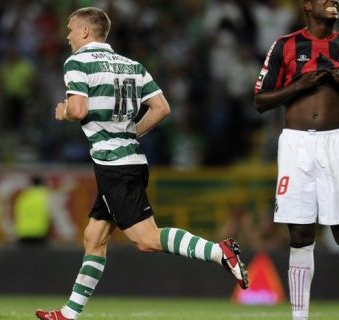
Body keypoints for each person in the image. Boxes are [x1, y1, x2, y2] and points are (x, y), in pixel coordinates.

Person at [36, 7, 248, 320]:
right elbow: (161, 107)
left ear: (84, 31)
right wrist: (132, 132)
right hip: (131, 158)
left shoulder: (78, 62)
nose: (67, 36)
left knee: (147, 239)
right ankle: (70, 313)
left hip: (113, 165)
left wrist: (63, 111)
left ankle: (220, 252)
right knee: (94, 238)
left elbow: (79, 109)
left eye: (70, 29)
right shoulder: (131, 65)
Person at [254, 1, 339, 320]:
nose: (334, 2)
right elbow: (260, 100)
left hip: (335, 142)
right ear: (308, 5)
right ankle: (300, 316)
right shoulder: (284, 46)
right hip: (295, 145)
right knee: (299, 234)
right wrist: (300, 85)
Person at [14, 175, 51, 245]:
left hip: (23, 231)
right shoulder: (45, 195)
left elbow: (17, 213)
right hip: (39, 232)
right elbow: (50, 214)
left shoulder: (24, 196)